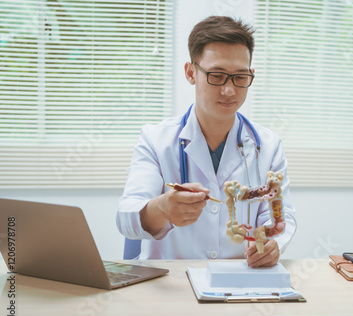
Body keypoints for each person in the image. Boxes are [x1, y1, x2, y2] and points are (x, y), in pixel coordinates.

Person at [116, 16, 296, 268]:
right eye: (217, 75)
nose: (229, 90)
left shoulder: (267, 145)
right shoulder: (156, 140)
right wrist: (163, 209)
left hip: (239, 280)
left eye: (240, 77)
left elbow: (280, 214)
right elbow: (125, 218)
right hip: (173, 284)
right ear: (191, 73)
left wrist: (270, 243)